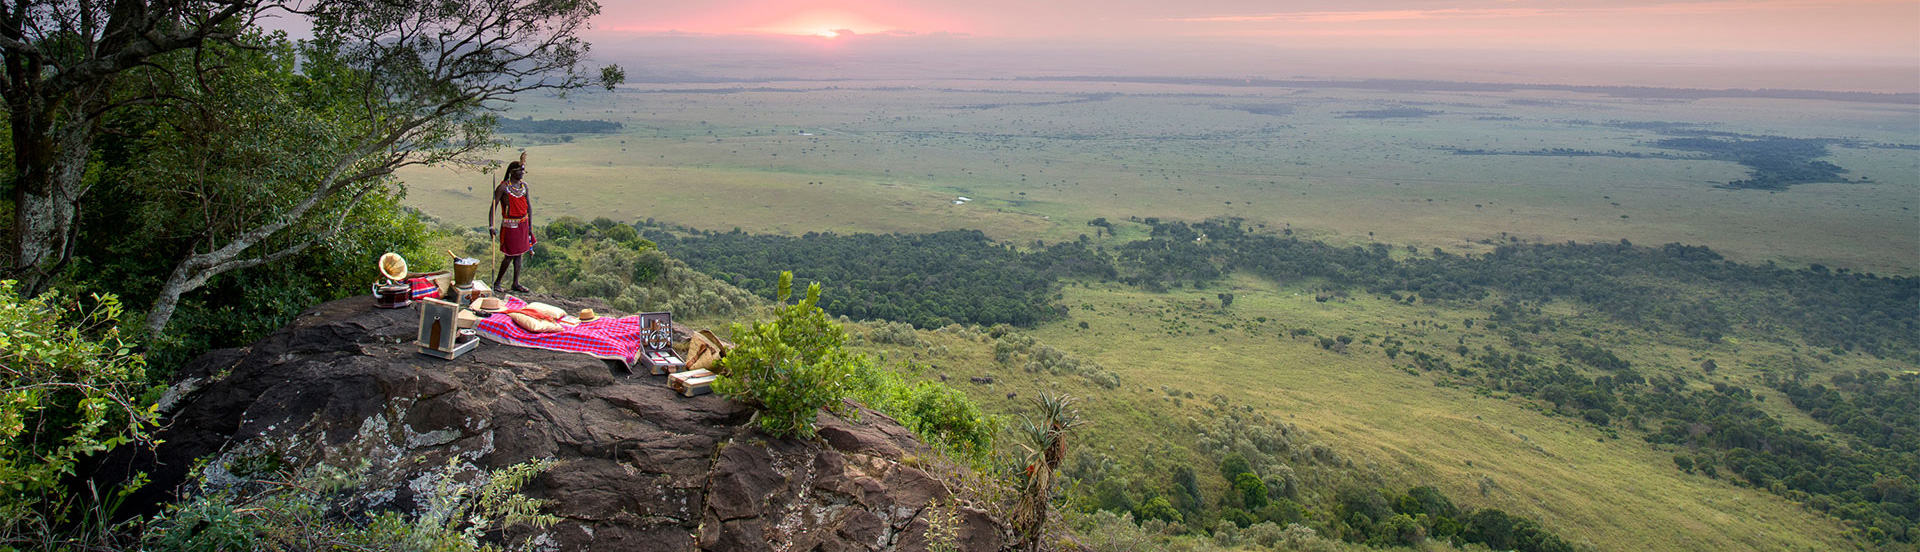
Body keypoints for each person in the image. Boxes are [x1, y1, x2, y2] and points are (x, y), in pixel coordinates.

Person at [489, 151, 535, 293]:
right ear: (512, 172)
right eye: (519, 171)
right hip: (510, 224)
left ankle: (515, 283)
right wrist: (491, 225)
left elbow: (529, 206)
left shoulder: (524, 186)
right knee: (510, 255)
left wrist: (530, 226)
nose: (522, 173)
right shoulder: (503, 187)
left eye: (523, 171)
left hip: (523, 223)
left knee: (519, 253)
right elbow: (493, 206)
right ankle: (497, 282)